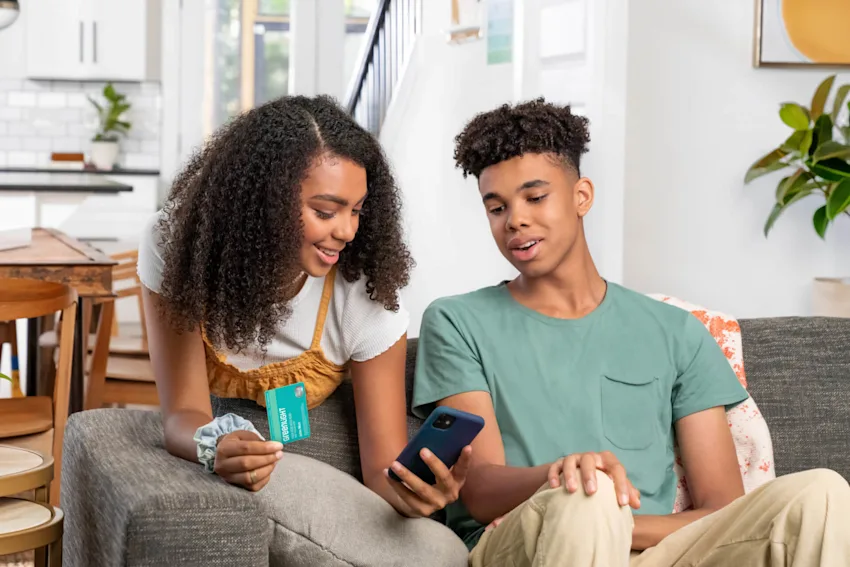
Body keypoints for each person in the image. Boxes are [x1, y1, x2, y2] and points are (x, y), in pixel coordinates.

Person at [412, 98, 850, 566]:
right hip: (524, 543)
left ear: (582, 196)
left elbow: (724, 510)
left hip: (652, 551)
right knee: (585, 496)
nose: (515, 219)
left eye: (535, 197)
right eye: (496, 207)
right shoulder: (457, 321)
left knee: (821, 493)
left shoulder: (675, 331)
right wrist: (559, 479)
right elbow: (476, 491)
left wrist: (615, 523)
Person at [138, 95, 469, 565]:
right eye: (326, 210)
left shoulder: (363, 294)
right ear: (262, 201)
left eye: (356, 209)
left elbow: (382, 471)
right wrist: (213, 444)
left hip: (323, 464)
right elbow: (182, 414)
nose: (348, 231)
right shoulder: (178, 244)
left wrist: (418, 492)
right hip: (228, 445)